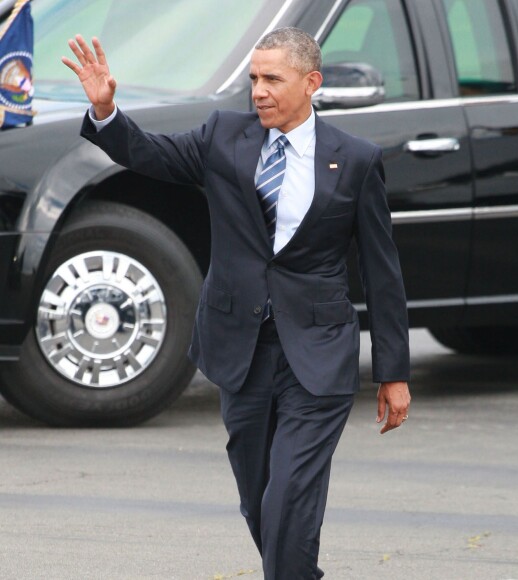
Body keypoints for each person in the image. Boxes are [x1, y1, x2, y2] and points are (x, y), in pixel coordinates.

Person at [63, 27, 411, 580]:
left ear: (311, 83)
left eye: (273, 79)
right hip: (240, 351)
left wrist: (393, 372)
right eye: (254, 79)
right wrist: (108, 112)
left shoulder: (357, 160)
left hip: (318, 354)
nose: (259, 91)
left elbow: (381, 271)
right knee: (259, 501)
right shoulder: (224, 136)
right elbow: (150, 155)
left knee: (287, 500)